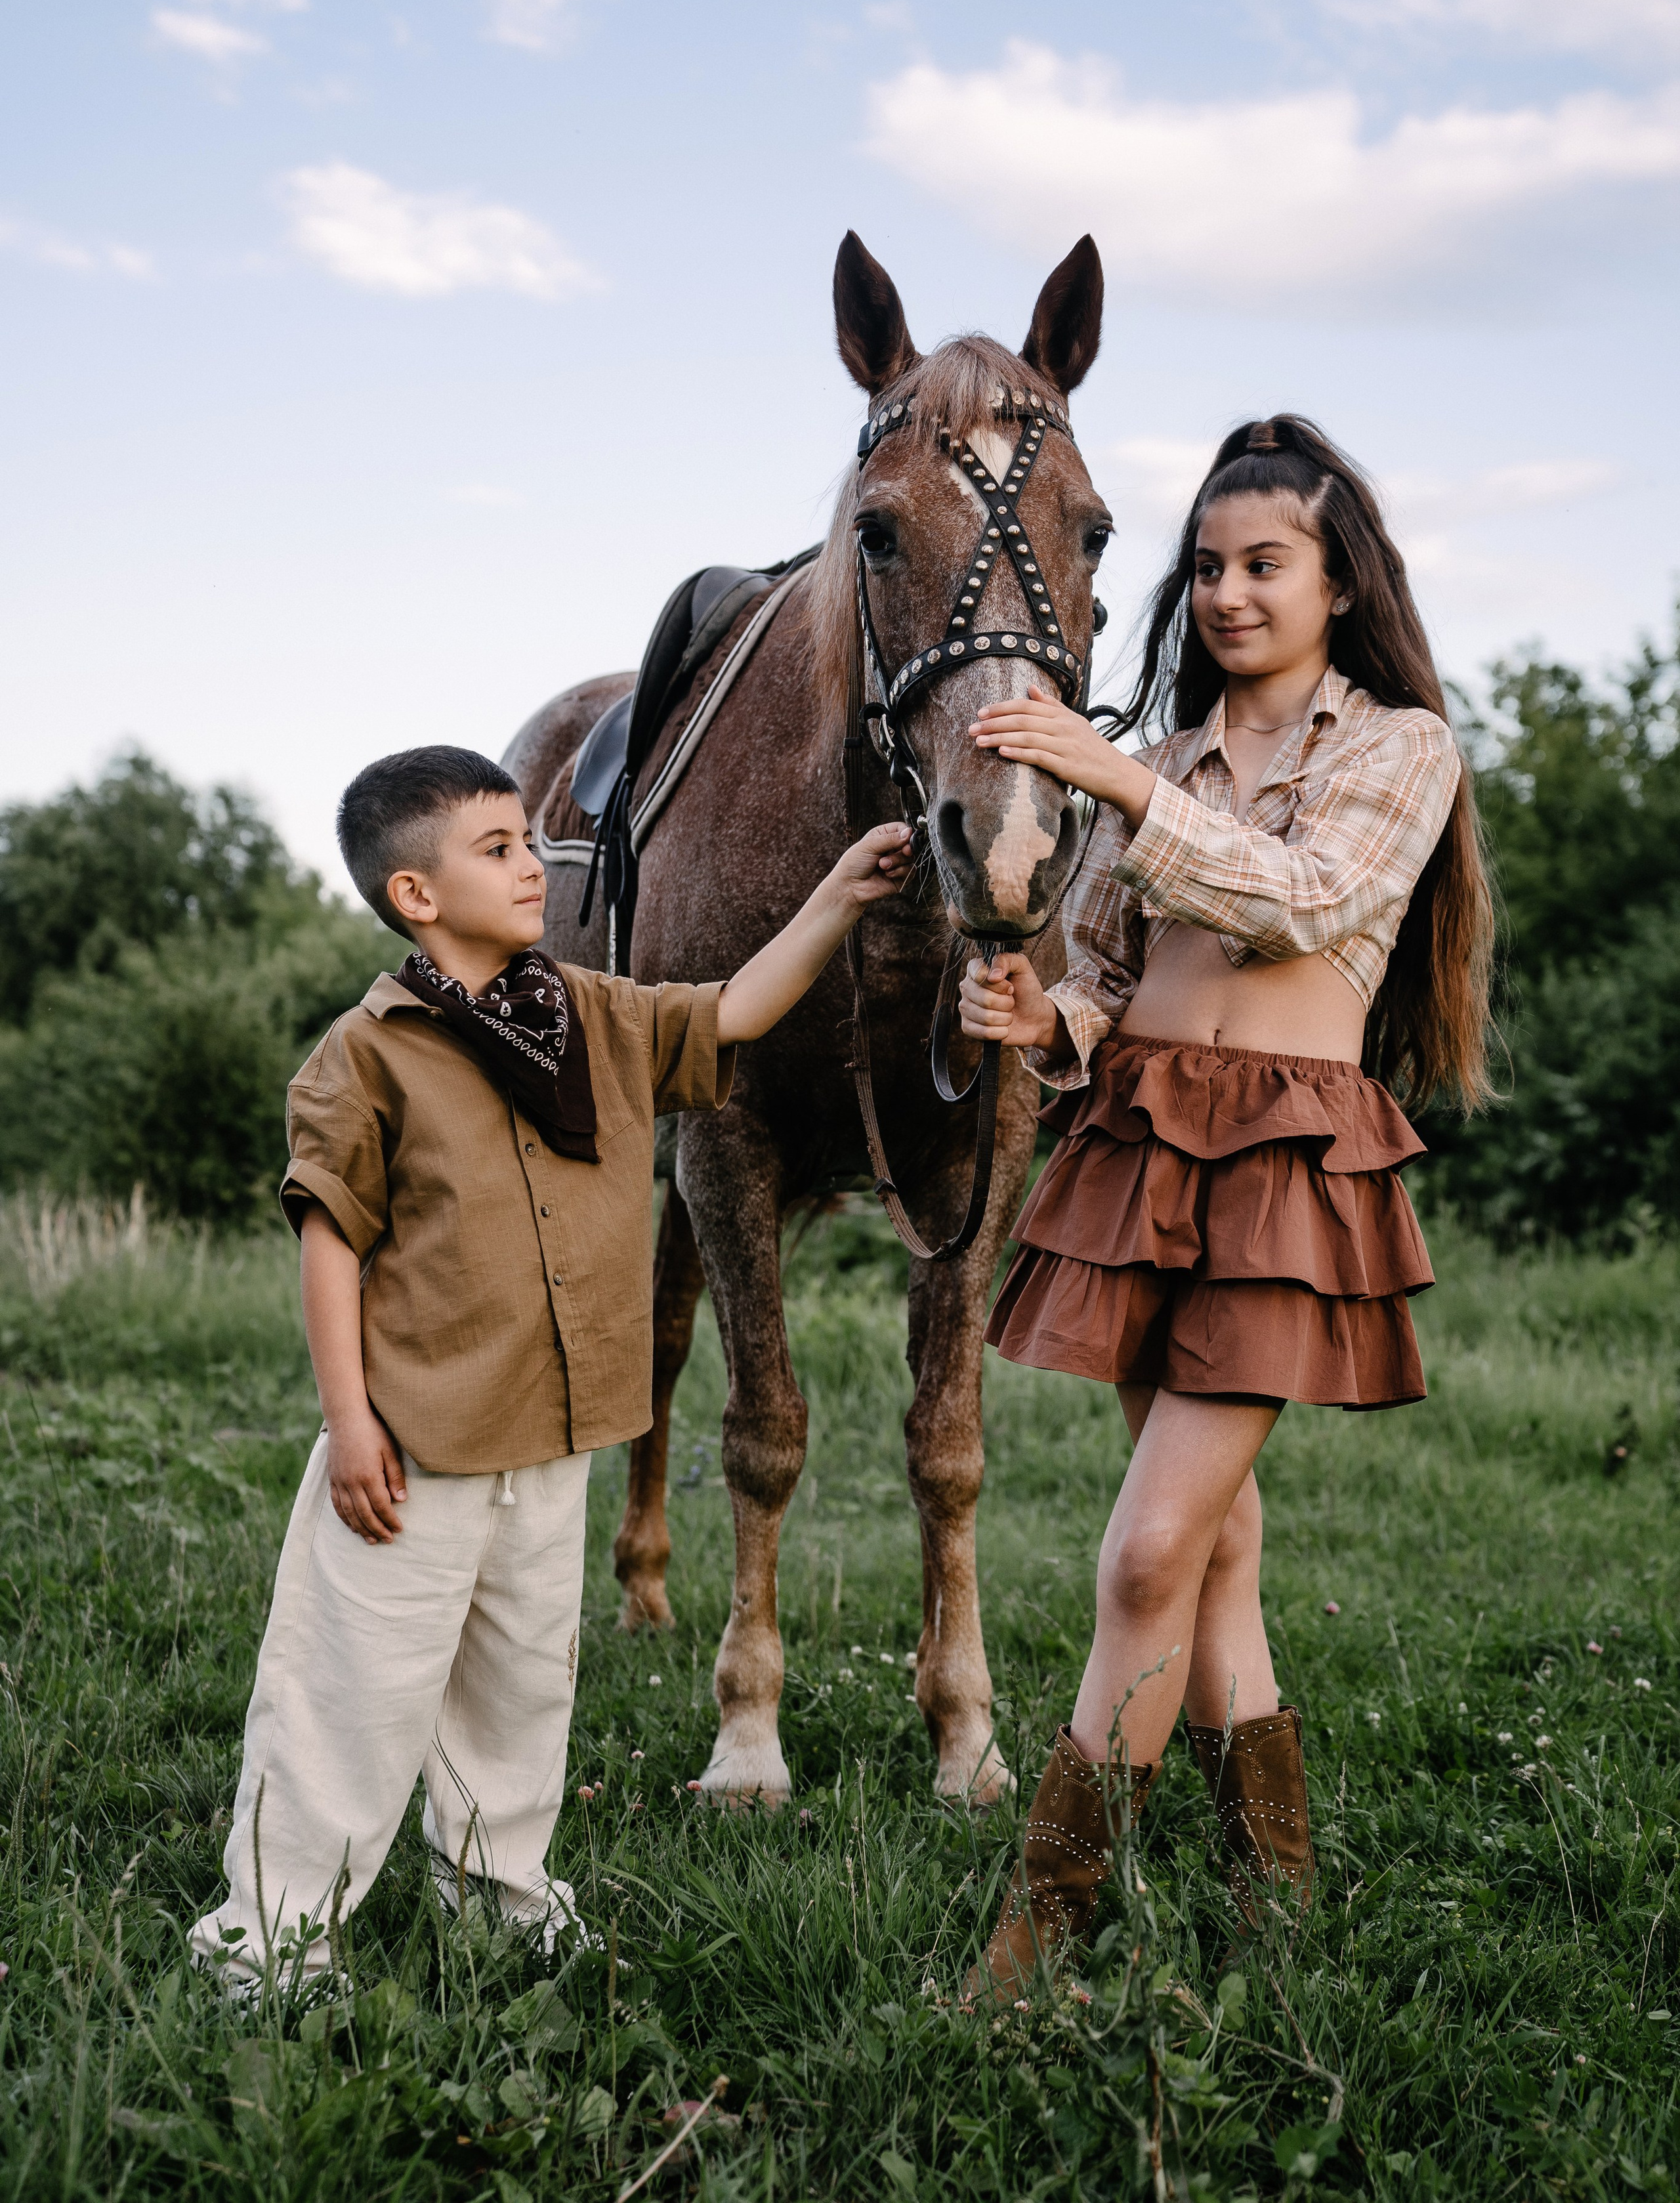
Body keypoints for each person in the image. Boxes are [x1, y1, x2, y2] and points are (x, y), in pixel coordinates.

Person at [190, 743, 912, 1988]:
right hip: (415, 1445)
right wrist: (349, 1422)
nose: (534, 865)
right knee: (351, 1695)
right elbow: (330, 1243)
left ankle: (503, 1898)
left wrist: (841, 894)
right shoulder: (366, 1056)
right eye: (499, 848)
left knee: (522, 1690)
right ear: (416, 894)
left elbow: (736, 1010)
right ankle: (272, 1940)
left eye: (529, 840)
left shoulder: (596, 1017)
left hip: (557, 1429)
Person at [956, 416, 1492, 1996]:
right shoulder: (1171, 751)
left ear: (1341, 583)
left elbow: (1301, 905)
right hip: (1138, 1144)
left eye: (1264, 563)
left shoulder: (1397, 747)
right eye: (1205, 566)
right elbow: (1112, 974)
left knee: (1143, 1557)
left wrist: (1115, 778)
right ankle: (1273, 1890)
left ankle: (1041, 1927)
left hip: (1278, 1163)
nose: (1227, 594)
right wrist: (1043, 1015)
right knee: (1213, 1549)